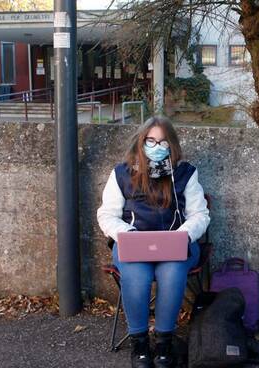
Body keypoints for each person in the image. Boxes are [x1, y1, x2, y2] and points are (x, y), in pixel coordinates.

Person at [97, 116, 210, 368]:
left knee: (172, 273)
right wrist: (127, 234)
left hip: (176, 245)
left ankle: (163, 343)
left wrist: (184, 235)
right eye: (151, 140)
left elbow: (200, 214)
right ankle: (139, 342)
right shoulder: (121, 174)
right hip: (133, 244)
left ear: (172, 145)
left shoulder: (185, 173)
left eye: (162, 141)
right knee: (137, 276)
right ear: (141, 141)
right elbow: (107, 214)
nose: (156, 146)